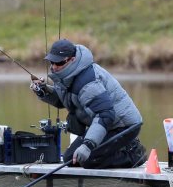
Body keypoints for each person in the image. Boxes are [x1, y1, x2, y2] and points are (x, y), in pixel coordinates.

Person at [30, 39, 146, 169]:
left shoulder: (88, 83)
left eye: (59, 62)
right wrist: (44, 91)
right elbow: (64, 101)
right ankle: (118, 148)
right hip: (106, 125)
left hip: (124, 126)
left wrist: (88, 145)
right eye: (52, 62)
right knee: (71, 159)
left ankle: (134, 153)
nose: (54, 66)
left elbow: (105, 115)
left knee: (88, 160)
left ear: (72, 60)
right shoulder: (65, 75)